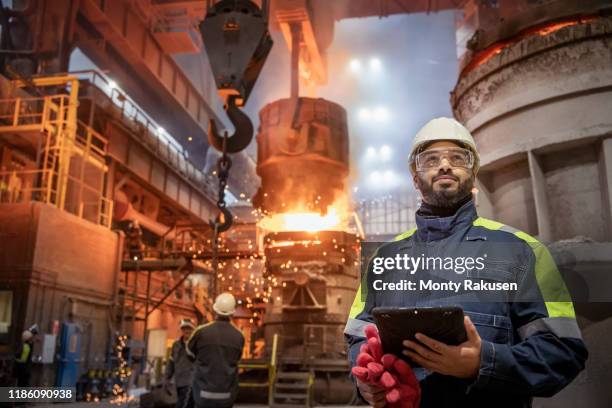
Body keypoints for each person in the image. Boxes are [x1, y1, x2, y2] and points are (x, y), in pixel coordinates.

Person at [344, 117, 588, 407]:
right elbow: (359, 335)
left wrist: (483, 362)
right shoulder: (385, 258)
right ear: (415, 177)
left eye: (457, 158)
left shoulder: (521, 251)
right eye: (431, 159)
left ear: (473, 174)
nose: (444, 165)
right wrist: (366, 382)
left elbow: (562, 350)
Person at [187, 293, 245, 408]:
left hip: (202, 395)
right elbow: (237, 359)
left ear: (215, 310)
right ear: (232, 313)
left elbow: (189, 352)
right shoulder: (239, 336)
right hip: (227, 397)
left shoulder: (201, 332)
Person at [165, 319, 196, 408]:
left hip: (191, 383)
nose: (186, 331)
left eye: (189, 328)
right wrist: (167, 378)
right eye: (184, 328)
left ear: (193, 329)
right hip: (179, 382)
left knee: (183, 405)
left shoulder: (196, 344)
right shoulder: (176, 345)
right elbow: (171, 362)